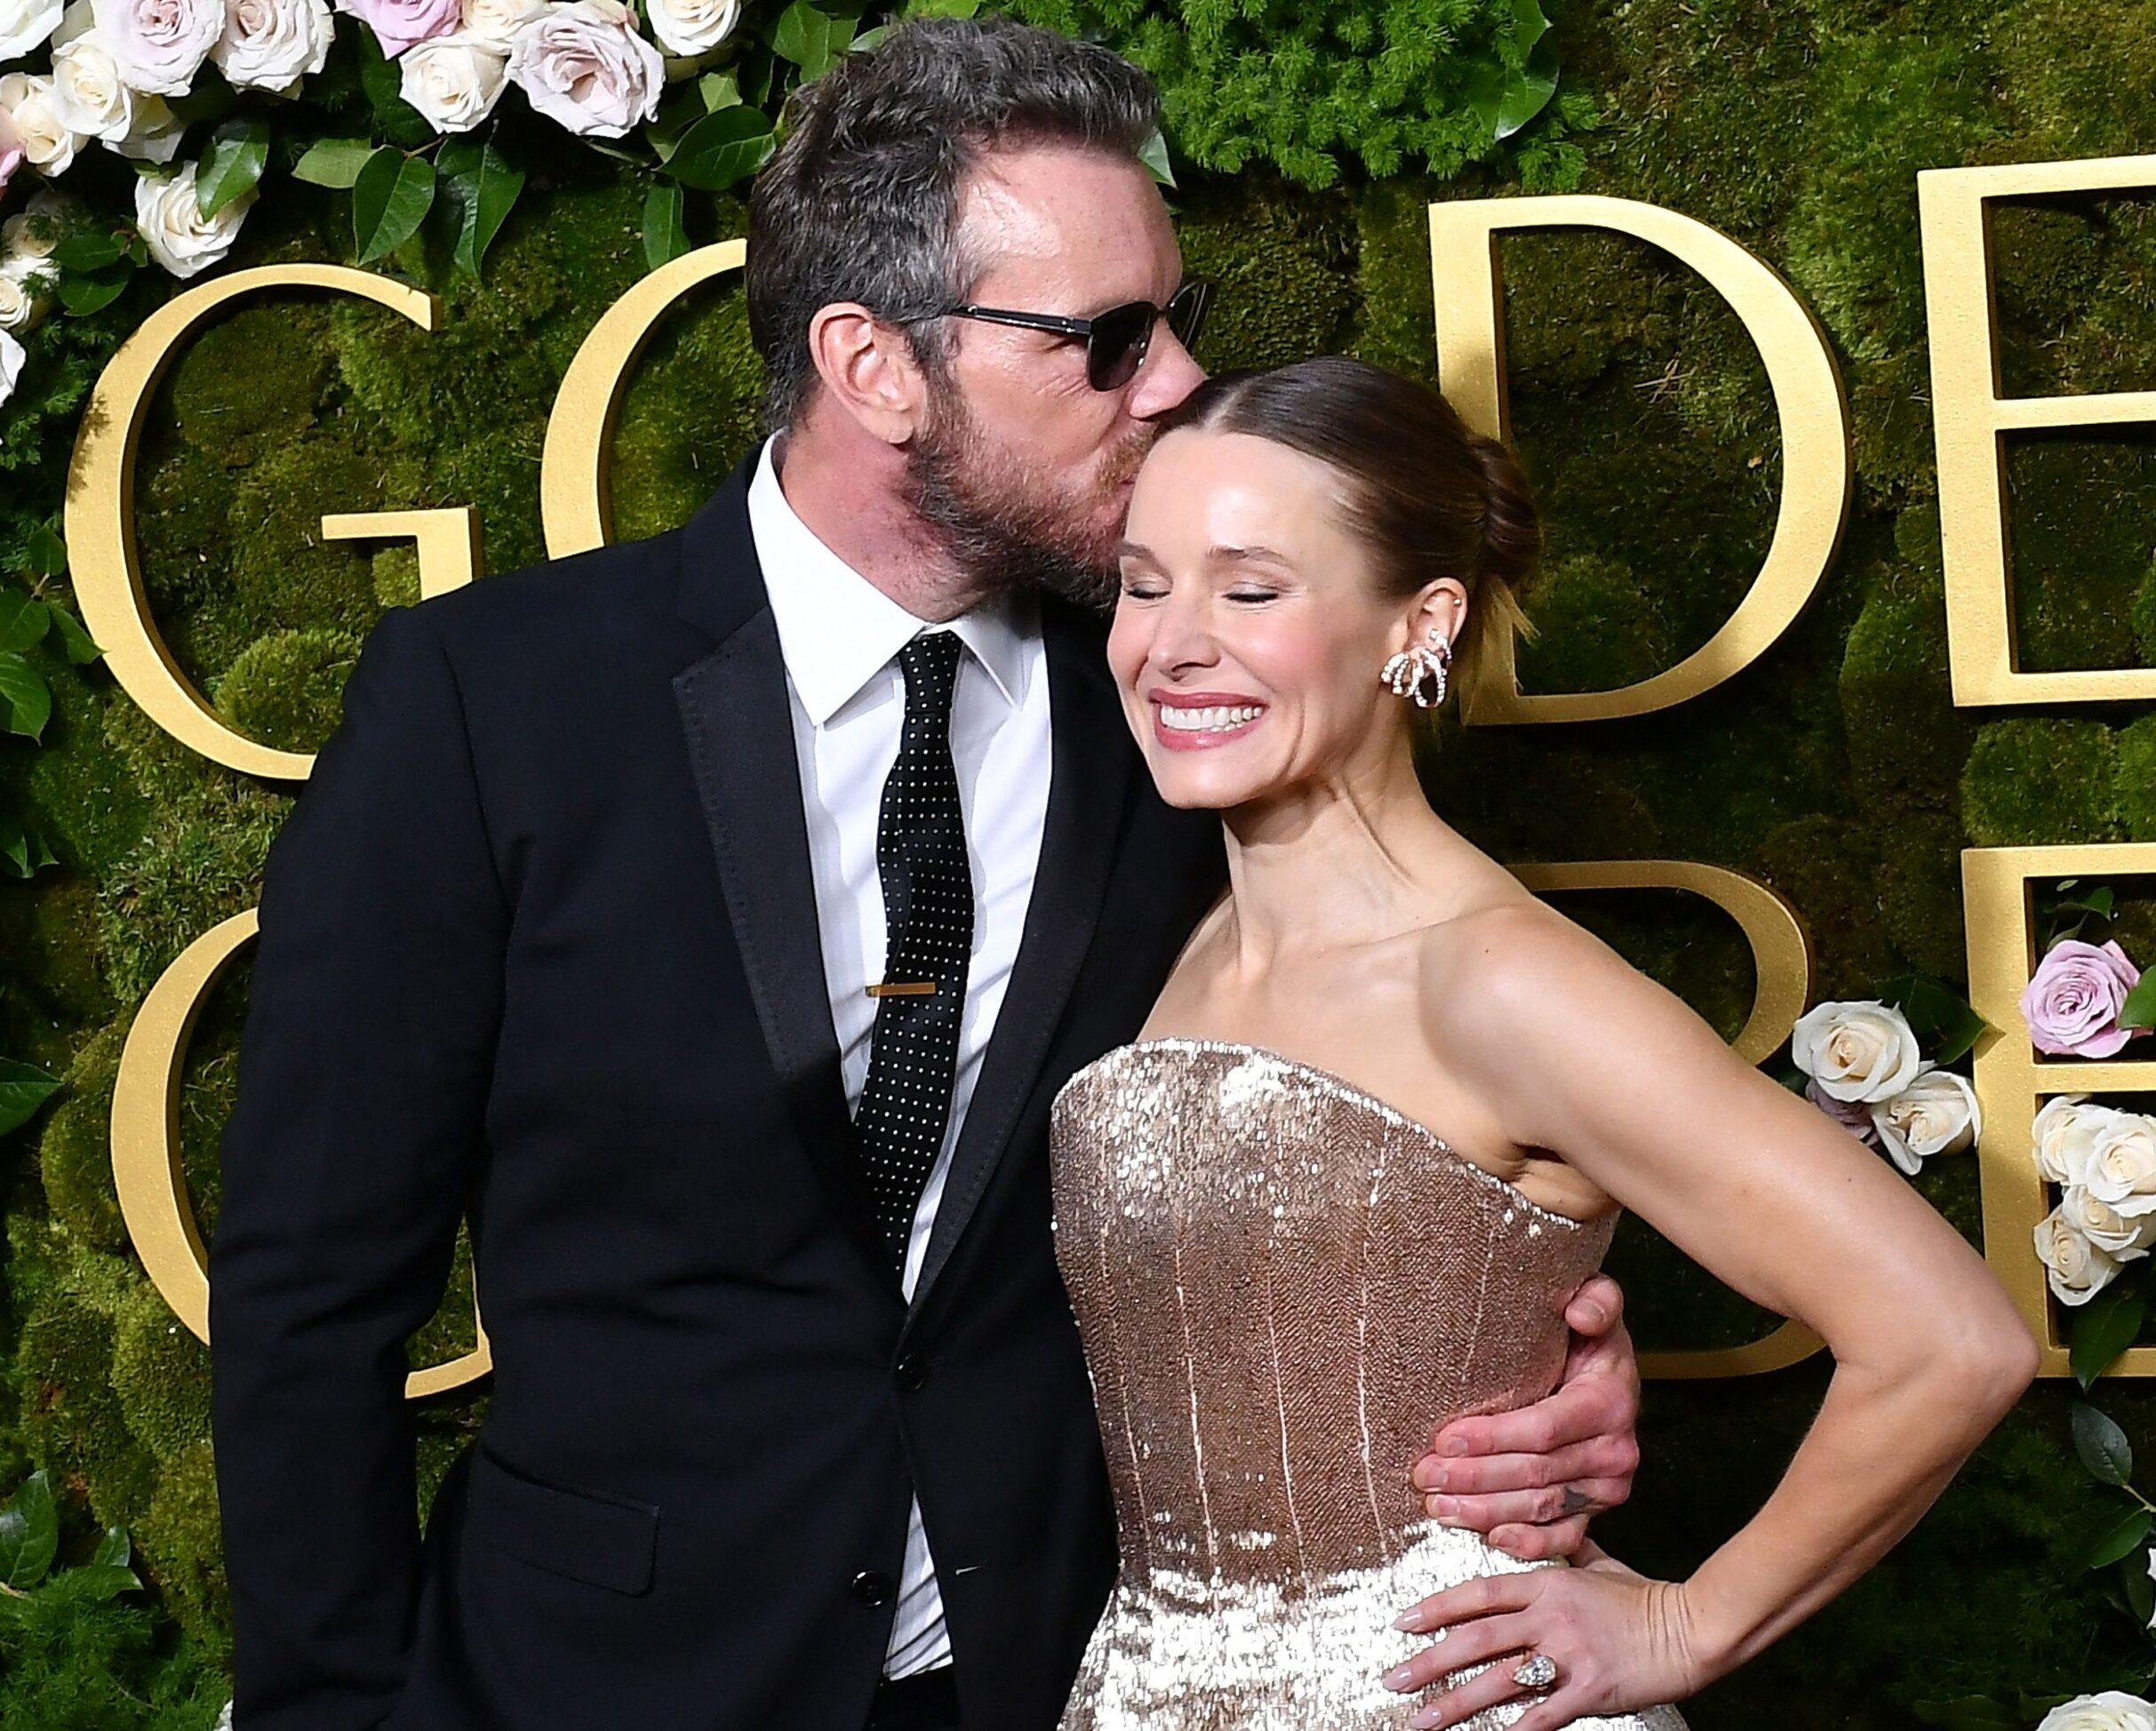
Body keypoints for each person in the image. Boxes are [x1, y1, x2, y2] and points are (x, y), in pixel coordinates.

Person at [206, 20, 1649, 1731]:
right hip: (597, 1677)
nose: (1177, 379)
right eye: (1106, 339)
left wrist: (1528, 1354)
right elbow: (309, 1293)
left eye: (1177, 322)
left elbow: (1365, 1104)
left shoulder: (1187, 714)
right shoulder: (493, 705)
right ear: (874, 364)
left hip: (1058, 1671)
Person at [1048, 355, 2042, 1731]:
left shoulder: (1499, 982)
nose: (1171, 642)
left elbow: (1951, 1338)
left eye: (1252, 588)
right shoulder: (1173, 941)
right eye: (1144, 584)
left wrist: (1688, 1626)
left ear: (1424, 620)